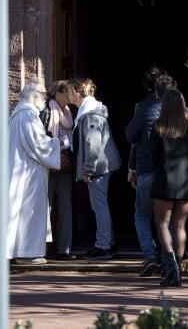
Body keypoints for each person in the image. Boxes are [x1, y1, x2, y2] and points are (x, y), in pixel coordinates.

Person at [150, 88, 188, 286]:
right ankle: (178, 268)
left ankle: (171, 266)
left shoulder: (158, 127)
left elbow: (154, 156)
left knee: (162, 224)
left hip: (165, 179)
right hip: (187, 181)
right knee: (180, 226)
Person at [125, 67, 176, 277]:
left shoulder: (143, 108)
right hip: (173, 172)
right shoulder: (182, 110)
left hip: (146, 170)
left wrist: (133, 167)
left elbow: (130, 135)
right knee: (169, 219)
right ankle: (169, 263)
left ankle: (149, 256)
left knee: (142, 215)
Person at [7, 82, 62, 264]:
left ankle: (22, 251)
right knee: (29, 210)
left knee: (22, 210)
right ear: (35, 95)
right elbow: (37, 144)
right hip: (28, 172)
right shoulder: (28, 115)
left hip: (22, 168)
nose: (46, 98)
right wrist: (56, 143)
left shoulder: (18, 114)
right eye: (44, 94)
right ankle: (27, 252)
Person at [67, 77, 121, 260]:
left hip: (98, 167)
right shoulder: (88, 111)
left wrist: (88, 169)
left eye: (69, 91)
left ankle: (103, 246)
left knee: (99, 205)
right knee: (100, 205)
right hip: (101, 165)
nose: (67, 94)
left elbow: (92, 144)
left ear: (77, 92)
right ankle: (109, 243)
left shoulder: (90, 114)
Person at [39, 80, 77, 260]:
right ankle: (42, 248)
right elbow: (41, 138)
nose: (70, 96)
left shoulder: (68, 113)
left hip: (65, 163)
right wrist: (58, 145)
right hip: (49, 163)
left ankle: (64, 249)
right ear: (58, 94)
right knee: (46, 206)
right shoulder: (47, 111)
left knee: (65, 205)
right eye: (67, 92)